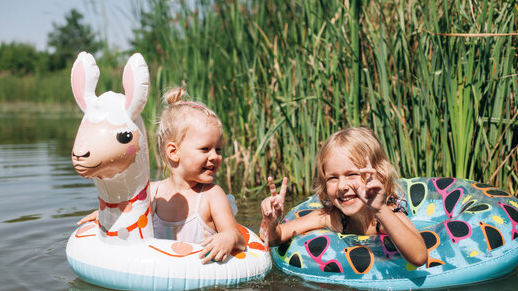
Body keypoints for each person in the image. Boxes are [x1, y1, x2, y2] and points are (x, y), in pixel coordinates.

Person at [78, 87, 245, 263]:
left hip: (202, 278)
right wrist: (106, 215)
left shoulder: (212, 195)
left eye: (218, 149)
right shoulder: (152, 193)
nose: (215, 156)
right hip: (158, 274)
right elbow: (127, 216)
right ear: (174, 152)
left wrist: (229, 238)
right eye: (205, 149)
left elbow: (237, 237)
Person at [259, 127, 428, 267]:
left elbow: (419, 257)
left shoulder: (388, 217)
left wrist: (380, 209)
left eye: (352, 174)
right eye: (333, 178)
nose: (342, 186)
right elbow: (274, 239)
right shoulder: (331, 218)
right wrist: (271, 222)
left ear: (379, 176)